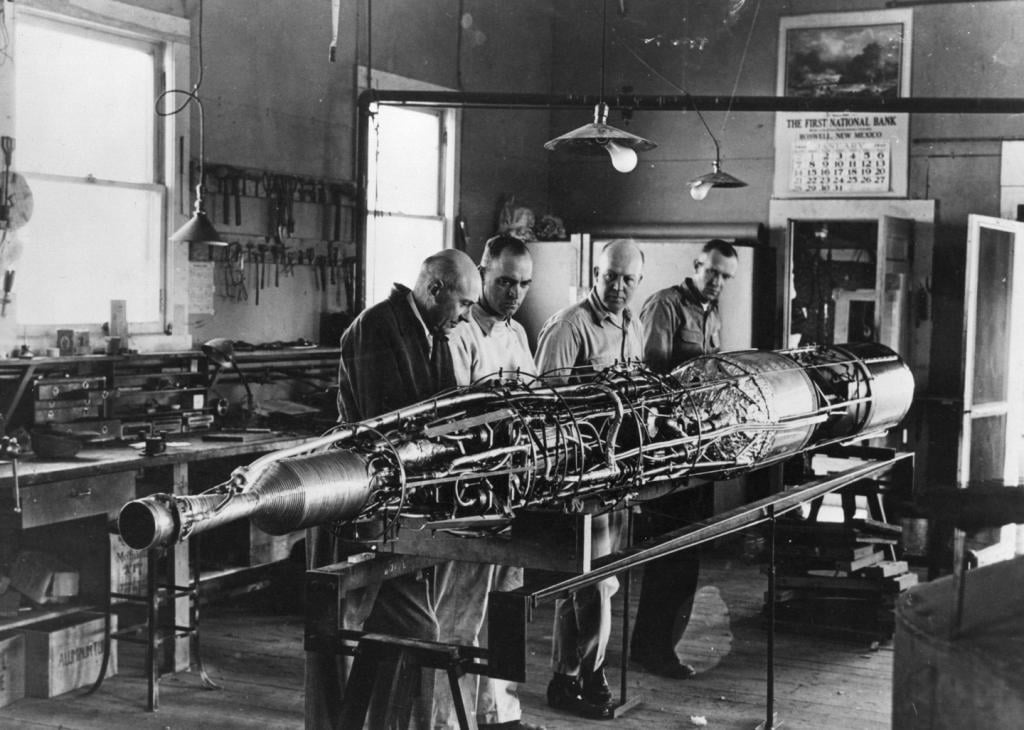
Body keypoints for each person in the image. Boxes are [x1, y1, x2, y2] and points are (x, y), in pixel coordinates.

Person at [306, 248, 479, 729]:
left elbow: (443, 415)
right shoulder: (377, 327)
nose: (465, 318)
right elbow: (389, 428)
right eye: (463, 305)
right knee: (338, 639)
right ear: (435, 289)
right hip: (354, 497)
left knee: (403, 631)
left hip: (397, 505)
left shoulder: (433, 333)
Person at [432, 235, 544, 730]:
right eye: (504, 281)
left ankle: (497, 711)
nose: (514, 293)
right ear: (481, 272)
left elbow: (538, 402)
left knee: (505, 607)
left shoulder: (517, 334)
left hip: (515, 491)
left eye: (523, 284)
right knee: (463, 611)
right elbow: (461, 417)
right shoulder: (460, 334)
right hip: (472, 495)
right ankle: (451, 721)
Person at [534, 238, 645, 720]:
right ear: (593, 274)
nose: (617, 287)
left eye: (628, 279)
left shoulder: (632, 325)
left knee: (597, 580)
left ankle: (566, 676)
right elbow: (545, 410)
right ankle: (592, 671)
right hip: (581, 476)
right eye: (609, 277)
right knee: (590, 581)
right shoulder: (569, 326)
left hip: (620, 472)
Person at [631, 238, 739, 679]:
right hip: (668, 452)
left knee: (689, 555)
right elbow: (651, 380)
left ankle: (659, 646)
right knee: (669, 557)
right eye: (711, 272)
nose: (716, 282)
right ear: (696, 266)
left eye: (725, 277)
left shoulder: (711, 314)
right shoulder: (665, 306)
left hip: (699, 450)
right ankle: (653, 650)